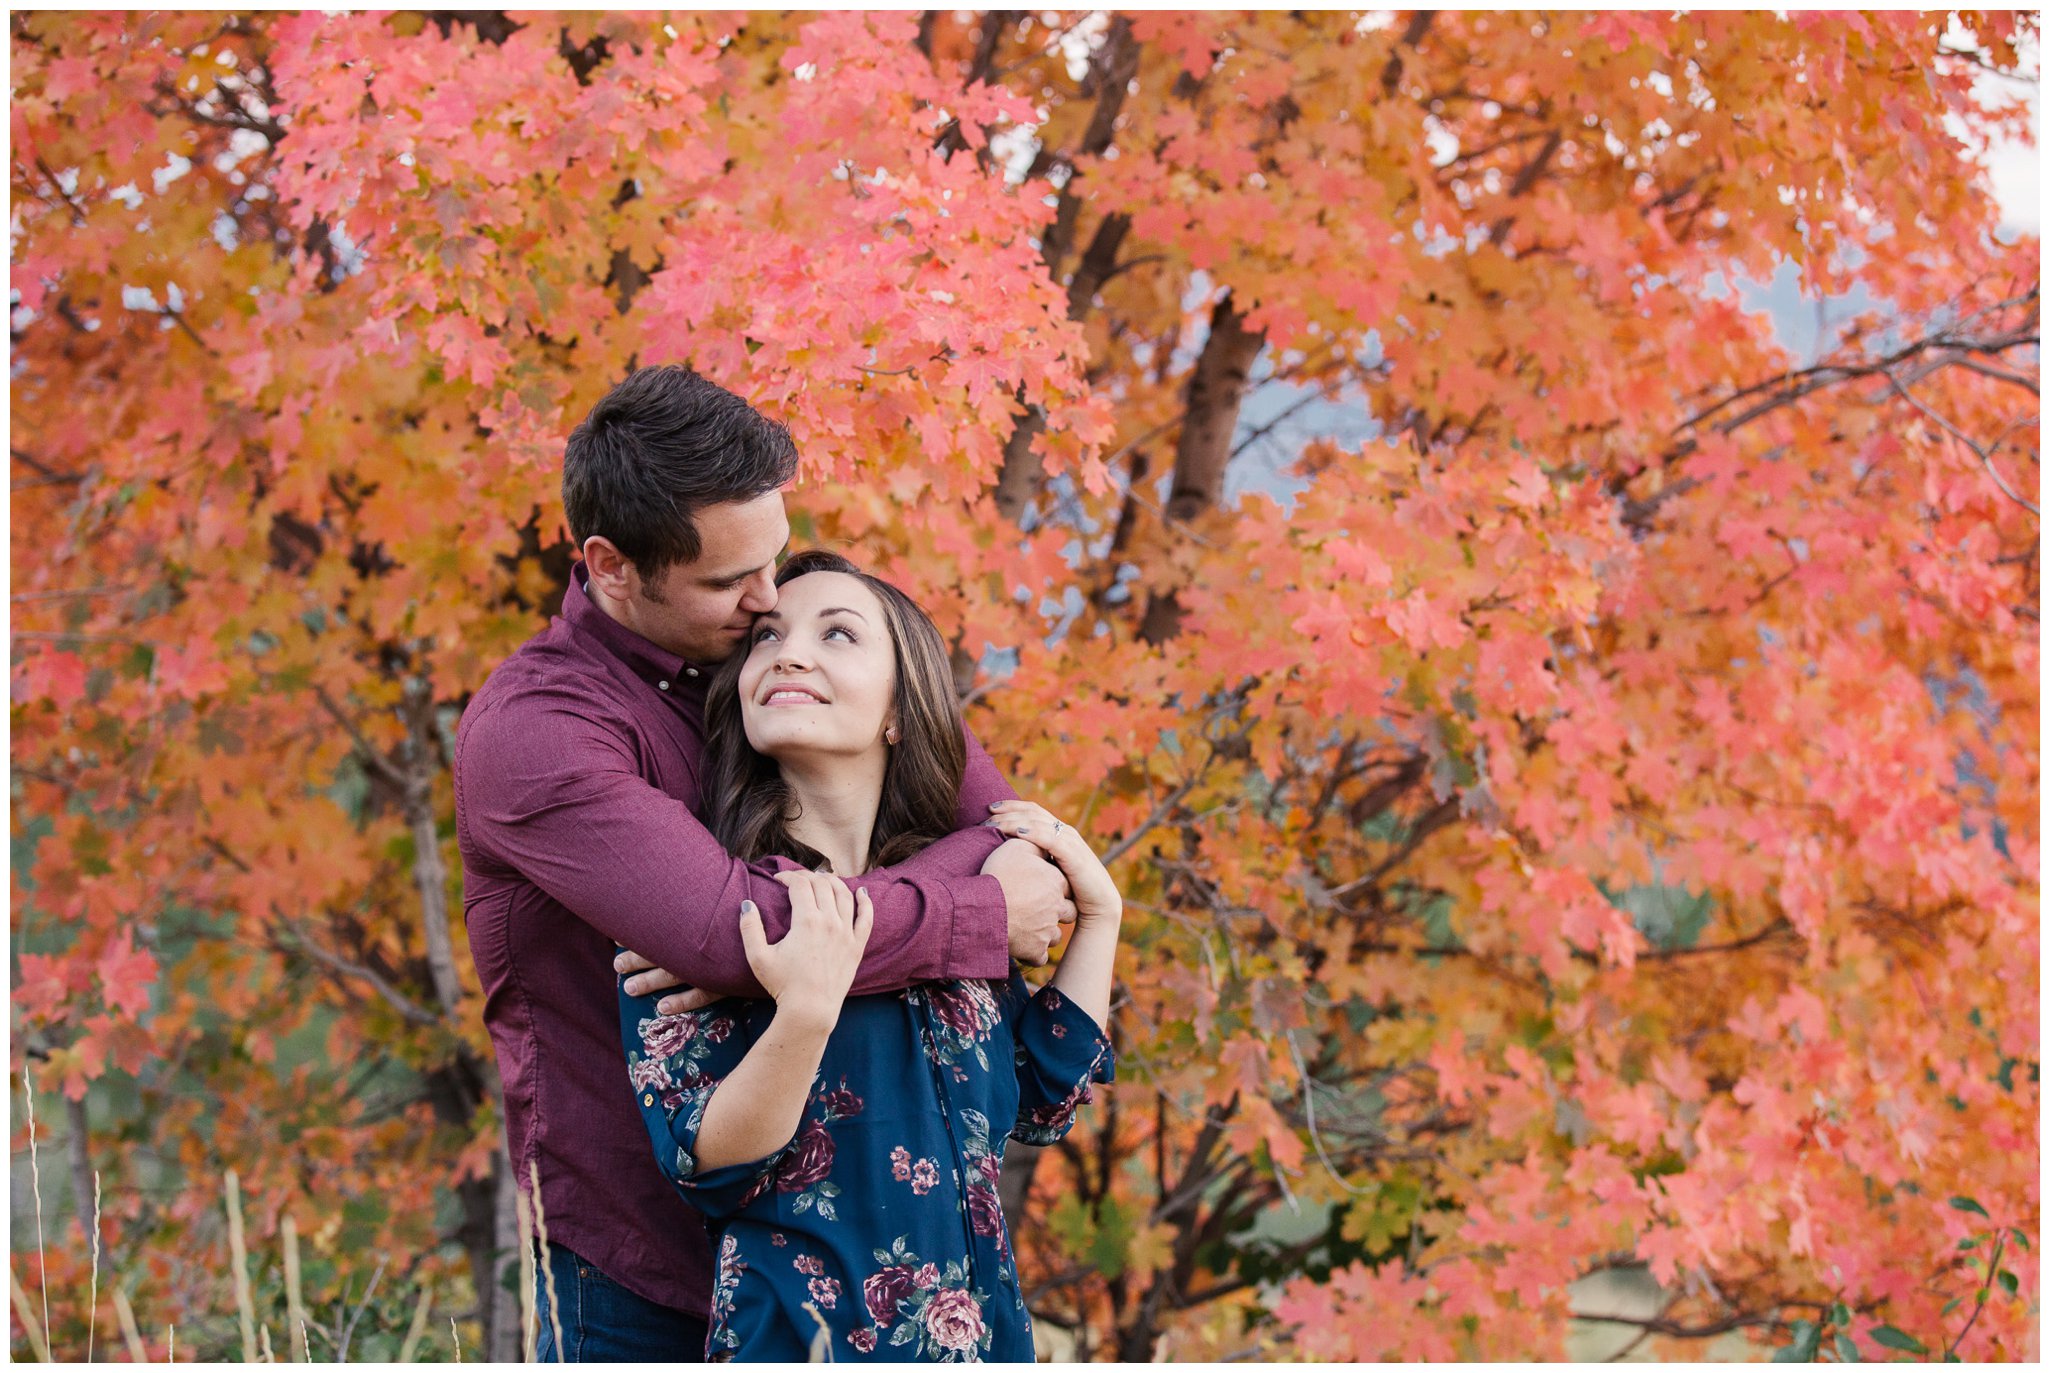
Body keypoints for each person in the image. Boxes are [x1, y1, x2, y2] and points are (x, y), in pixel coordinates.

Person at [455, 367, 1077, 1361]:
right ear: (612, 566)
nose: (765, 602)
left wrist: (976, 881)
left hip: (848, 1245)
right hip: (640, 1260)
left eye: (774, 559)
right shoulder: (539, 731)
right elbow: (733, 935)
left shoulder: (776, 656)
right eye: (725, 581)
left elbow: (1004, 827)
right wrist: (978, 913)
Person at [621, 550, 1120, 1361]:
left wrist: (1100, 917)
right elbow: (705, 1155)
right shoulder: (711, 904)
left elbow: (1039, 1103)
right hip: (799, 1342)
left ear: (900, 707)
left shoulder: (965, 903)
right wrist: (806, 1012)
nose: (787, 650)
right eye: (768, 636)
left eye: (838, 633)